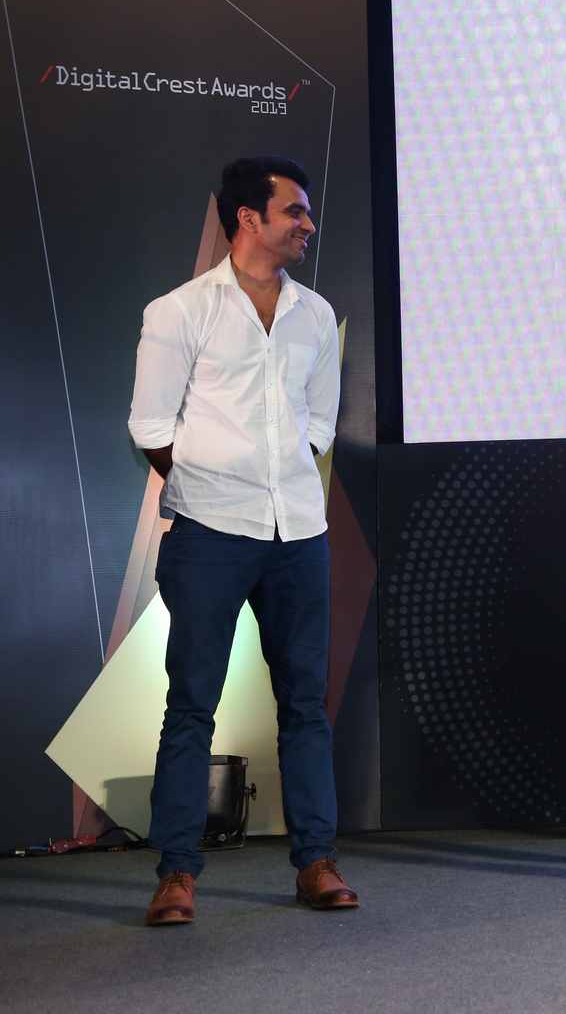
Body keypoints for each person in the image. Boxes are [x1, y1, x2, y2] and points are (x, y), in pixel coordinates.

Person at [128, 156, 355, 926]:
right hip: (210, 534)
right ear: (249, 219)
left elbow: (320, 419)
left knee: (305, 704)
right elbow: (150, 427)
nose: (308, 225)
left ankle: (316, 861)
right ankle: (177, 873)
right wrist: (211, 487)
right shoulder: (180, 311)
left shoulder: (315, 314)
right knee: (192, 703)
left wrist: (285, 466)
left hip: (299, 533)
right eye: (295, 211)